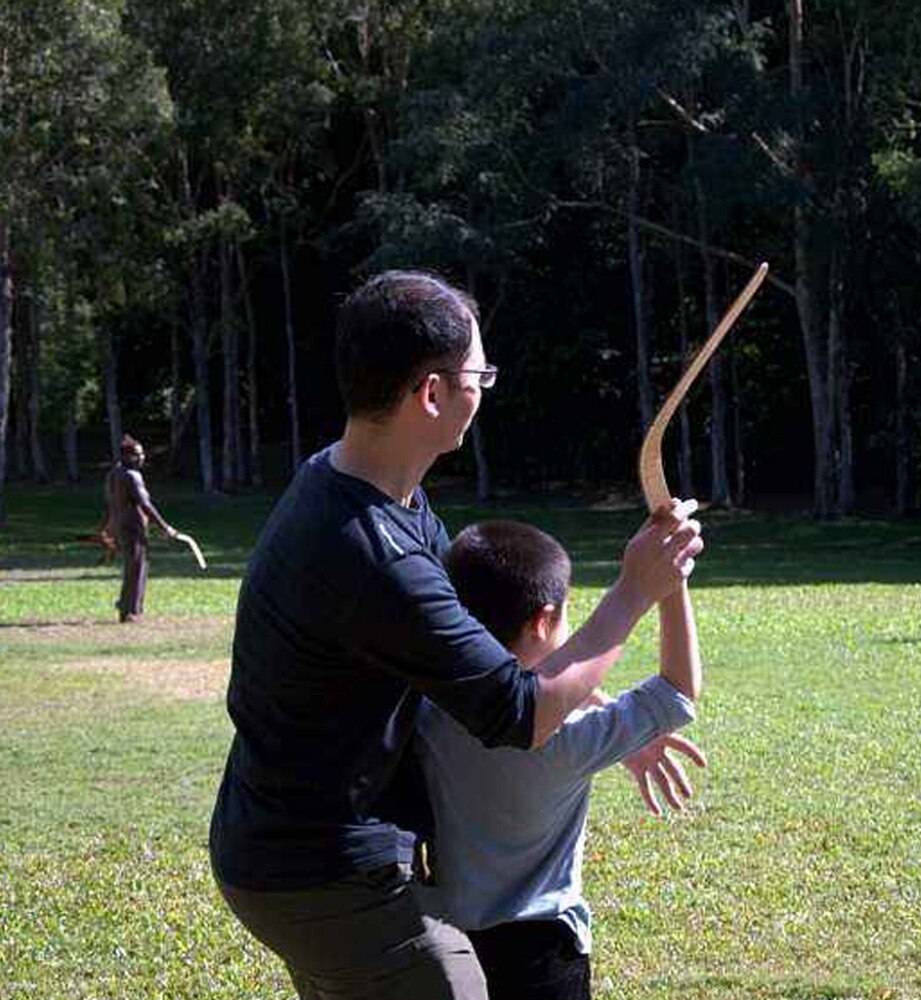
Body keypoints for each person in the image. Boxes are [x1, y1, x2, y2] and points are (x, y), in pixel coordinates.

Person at [208, 270, 704, 1000]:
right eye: (480, 373)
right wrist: (636, 591)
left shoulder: (361, 491)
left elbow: (468, 666)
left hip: (277, 848)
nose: (485, 389)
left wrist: (599, 717)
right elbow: (520, 710)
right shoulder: (375, 554)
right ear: (432, 393)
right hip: (317, 868)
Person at [412, 516, 703, 1000]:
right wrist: (670, 585)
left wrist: (603, 708)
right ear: (543, 621)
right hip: (543, 958)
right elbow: (677, 691)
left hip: (449, 947)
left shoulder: (426, 706)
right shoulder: (567, 744)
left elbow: (525, 684)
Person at [102, 434, 177, 623]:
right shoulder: (132, 476)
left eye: (141, 453)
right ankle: (129, 611)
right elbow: (145, 504)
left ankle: (128, 607)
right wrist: (164, 527)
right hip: (132, 527)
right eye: (137, 454)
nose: (142, 457)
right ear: (126, 456)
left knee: (133, 566)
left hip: (120, 525)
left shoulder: (114, 473)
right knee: (136, 567)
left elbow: (113, 503)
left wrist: (109, 526)